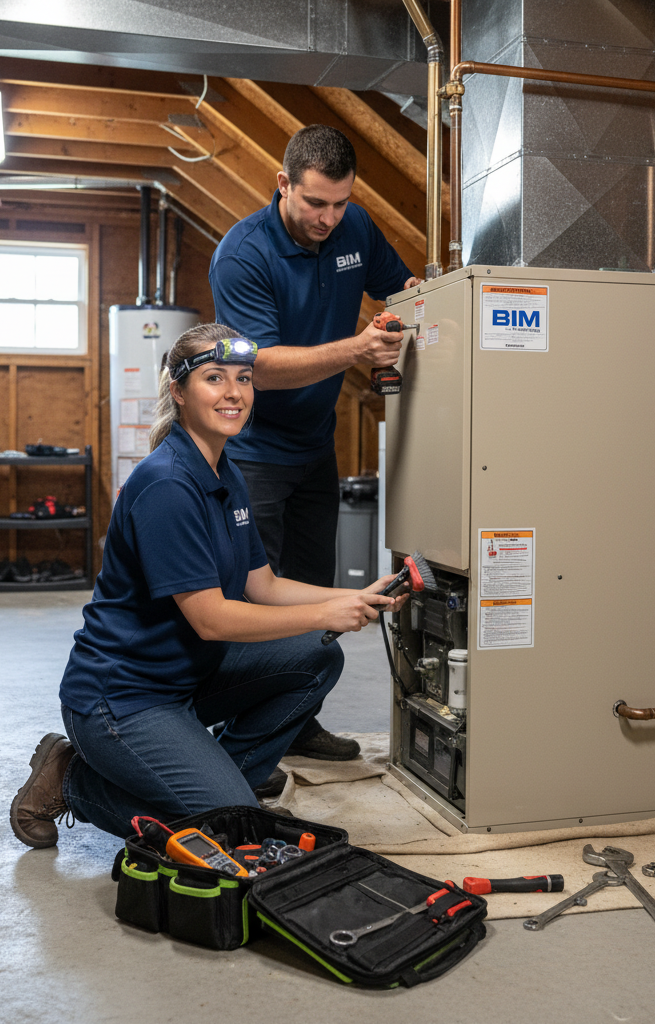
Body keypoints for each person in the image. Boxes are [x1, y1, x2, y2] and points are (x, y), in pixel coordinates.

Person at [9, 323, 407, 847]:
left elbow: (261, 586)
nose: (234, 393)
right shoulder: (168, 483)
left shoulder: (224, 472)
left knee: (317, 656)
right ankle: (73, 780)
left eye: (244, 379)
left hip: (186, 681)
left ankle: (222, 787)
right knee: (226, 832)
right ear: (178, 391)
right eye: (215, 378)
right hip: (122, 700)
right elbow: (212, 618)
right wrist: (325, 615)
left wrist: (355, 596)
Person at [210, 124, 421, 762]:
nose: (329, 218)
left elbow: (406, 289)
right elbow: (261, 368)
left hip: (314, 446)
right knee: (258, 599)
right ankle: (246, 743)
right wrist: (360, 347)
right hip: (255, 453)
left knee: (316, 587)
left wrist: (407, 323)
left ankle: (297, 725)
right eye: (314, 203)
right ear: (283, 185)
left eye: (340, 203)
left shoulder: (354, 228)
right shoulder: (243, 254)